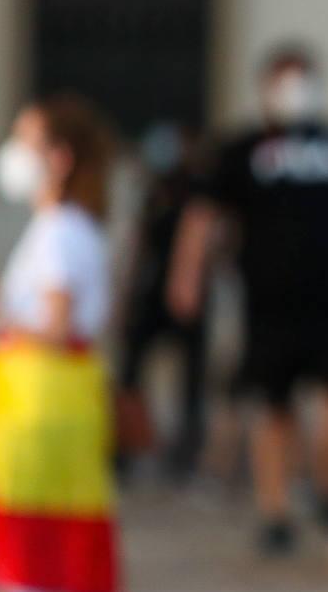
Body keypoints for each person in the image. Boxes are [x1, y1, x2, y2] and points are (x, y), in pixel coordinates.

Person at [167, 42, 328, 553]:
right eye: (287, 78)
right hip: (267, 301)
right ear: (266, 85)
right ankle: (275, 510)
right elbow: (203, 214)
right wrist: (187, 276)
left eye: (304, 77)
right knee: (273, 406)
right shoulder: (241, 147)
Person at [0, 95, 118, 592]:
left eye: (25, 140)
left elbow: (56, 330)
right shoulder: (62, 226)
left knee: (33, 557)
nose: (13, 151)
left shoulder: (61, 231)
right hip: (42, 400)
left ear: (59, 157)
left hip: (40, 406)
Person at [117, 121, 210, 481]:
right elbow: (138, 245)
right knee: (131, 371)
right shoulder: (152, 192)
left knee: (192, 379)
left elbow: (205, 238)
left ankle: (188, 454)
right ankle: (126, 448)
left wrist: (186, 283)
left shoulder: (198, 190)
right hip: (150, 295)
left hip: (189, 298)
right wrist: (125, 294)